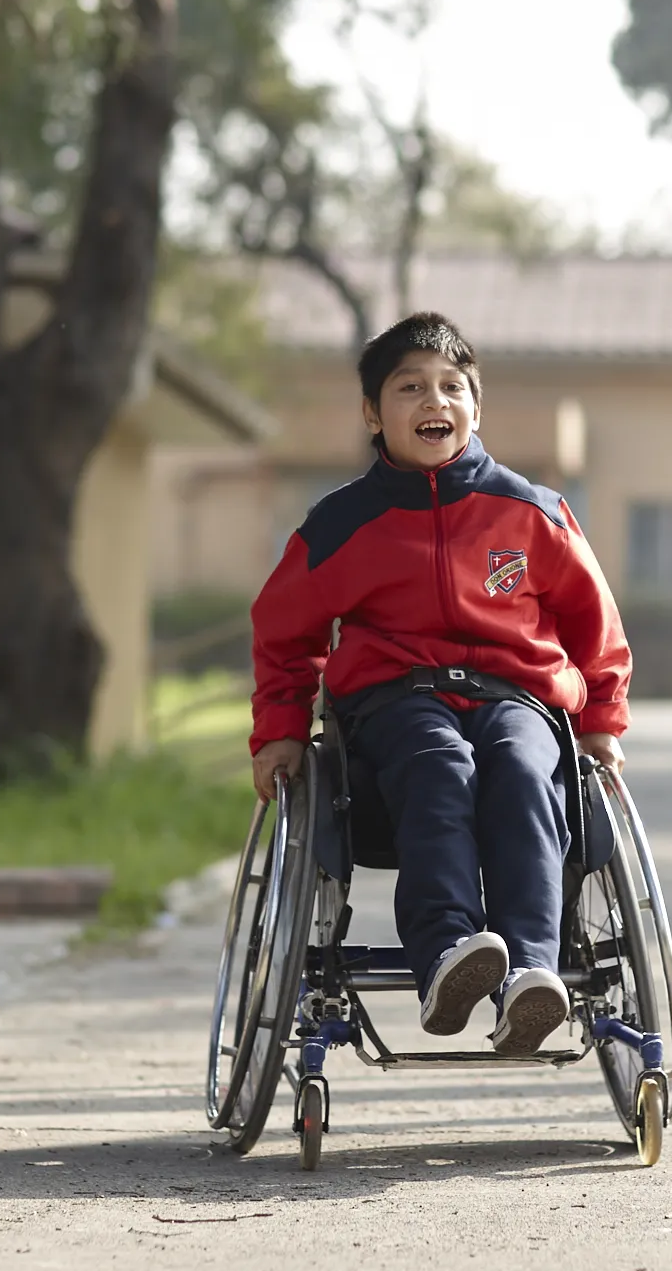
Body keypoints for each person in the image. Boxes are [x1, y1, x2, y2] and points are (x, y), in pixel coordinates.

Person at [247, 312, 632, 1055]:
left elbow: (595, 624)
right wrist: (282, 733)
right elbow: (283, 634)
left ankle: (530, 972)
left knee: (523, 769)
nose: (436, 402)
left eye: (453, 387)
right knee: (438, 765)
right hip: (396, 700)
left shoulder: (532, 512)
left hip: (514, 695)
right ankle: (449, 958)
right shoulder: (340, 525)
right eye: (411, 388)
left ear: (476, 408)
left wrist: (602, 723)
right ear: (372, 412)